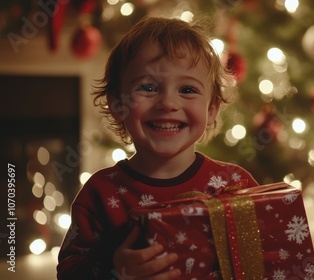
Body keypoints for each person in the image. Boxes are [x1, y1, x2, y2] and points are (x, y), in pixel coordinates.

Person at [57, 16, 259, 280]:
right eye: (148, 87)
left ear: (211, 110)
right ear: (117, 105)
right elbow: (69, 272)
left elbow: (270, 255)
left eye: (187, 89)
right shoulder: (100, 194)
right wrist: (114, 269)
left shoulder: (236, 185)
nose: (167, 103)